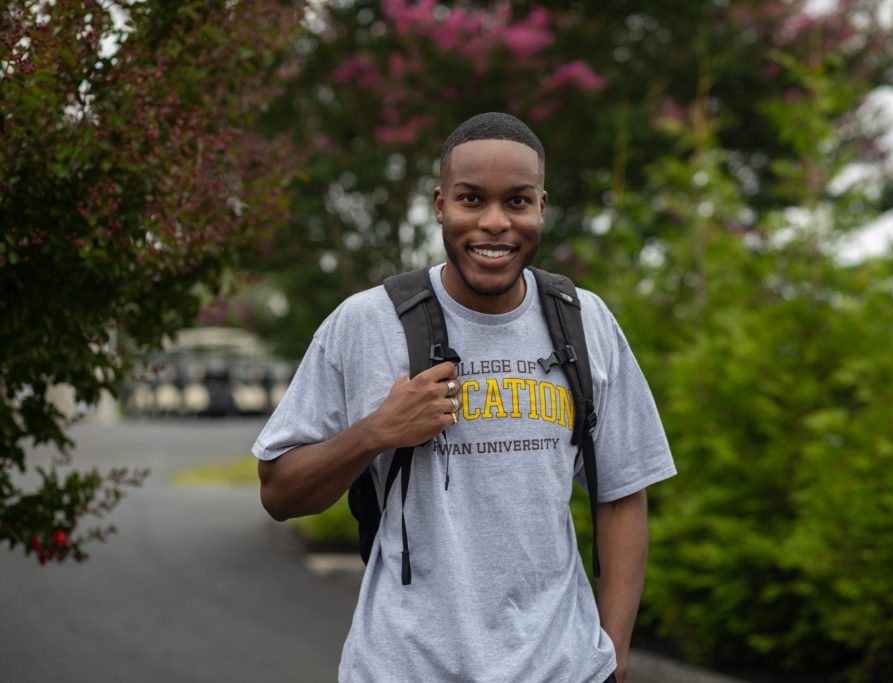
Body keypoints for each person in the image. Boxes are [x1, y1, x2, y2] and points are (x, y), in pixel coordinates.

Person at [253, 112, 676, 683]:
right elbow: (279, 492)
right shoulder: (365, 324)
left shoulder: (585, 322)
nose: (495, 223)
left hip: (563, 668)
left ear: (542, 207)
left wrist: (615, 654)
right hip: (404, 668)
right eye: (471, 199)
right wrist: (376, 431)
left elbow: (623, 492)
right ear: (439, 204)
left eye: (518, 202)